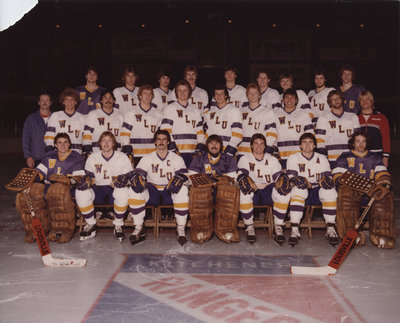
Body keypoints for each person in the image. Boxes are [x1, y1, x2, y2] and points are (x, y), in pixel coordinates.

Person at [17, 133, 85, 243]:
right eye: (60, 142)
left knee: (58, 195)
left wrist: (65, 180)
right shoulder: (49, 156)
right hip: (49, 186)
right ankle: (39, 228)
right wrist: (29, 181)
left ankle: (62, 229)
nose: (63, 145)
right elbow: (40, 173)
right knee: (31, 194)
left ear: (69, 144)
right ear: (55, 145)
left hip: (67, 188)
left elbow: (78, 178)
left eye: (65, 142)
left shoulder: (75, 156)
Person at [332, 131, 394, 249]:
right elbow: (338, 176)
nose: (360, 144)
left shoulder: (374, 158)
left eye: (363, 141)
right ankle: (349, 234)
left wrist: (383, 182)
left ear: (367, 143)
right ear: (353, 143)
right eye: (358, 141)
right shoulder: (345, 156)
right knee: (347, 194)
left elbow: (382, 174)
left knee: (385, 195)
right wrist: (365, 187)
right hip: (352, 192)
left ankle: (381, 235)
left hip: (370, 194)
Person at [128, 130, 189, 245]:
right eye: (159, 139)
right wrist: (136, 179)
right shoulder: (147, 157)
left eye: (164, 139)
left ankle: (180, 228)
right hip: (153, 191)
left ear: (168, 142)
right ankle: (138, 227)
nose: (161, 142)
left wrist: (181, 178)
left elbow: (184, 176)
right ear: (155, 142)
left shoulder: (176, 158)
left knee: (183, 189)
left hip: (169, 191)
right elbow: (138, 175)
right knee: (134, 188)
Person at [75, 131, 133, 241]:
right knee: (80, 191)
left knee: (123, 191)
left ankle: (118, 224)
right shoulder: (93, 157)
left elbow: (129, 177)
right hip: (98, 190)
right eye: (103, 141)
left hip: (114, 190)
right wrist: (87, 182)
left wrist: (123, 180)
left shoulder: (122, 157)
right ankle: (91, 224)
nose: (106, 144)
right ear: (100, 143)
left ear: (114, 143)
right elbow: (89, 177)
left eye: (109, 141)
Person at [286, 133, 339, 246]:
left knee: (330, 191)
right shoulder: (293, 157)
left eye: (310, 142)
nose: (307, 145)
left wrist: (324, 181)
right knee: (298, 189)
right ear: (300, 145)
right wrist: (305, 183)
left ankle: (330, 228)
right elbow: (292, 178)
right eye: (304, 142)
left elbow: (327, 177)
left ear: (315, 145)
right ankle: (294, 229)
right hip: (302, 189)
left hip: (317, 189)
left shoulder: (322, 158)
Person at [237, 134, 291, 244]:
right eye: (256, 143)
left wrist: (282, 179)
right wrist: (250, 183)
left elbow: (277, 176)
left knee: (283, 191)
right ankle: (249, 226)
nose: (259, 146)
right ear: (251, 145)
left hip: (268, 190)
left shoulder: (272, 159)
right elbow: (243, 175)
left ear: (265, 146)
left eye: (261, 143)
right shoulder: (245, 158)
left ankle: (278, 226)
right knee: (244, 189)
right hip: (253, 190)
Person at [189, 135, 238, 244]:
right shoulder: (199, 159)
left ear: (221, 146)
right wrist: (209, 185)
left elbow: (231, 179)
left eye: (217, 143)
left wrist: (217, 183)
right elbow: (193, 179)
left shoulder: (229, 159)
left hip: (222, 191)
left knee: (228, 193)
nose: (214, 145)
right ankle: (201, 229)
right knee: (199, 193)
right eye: (211, 143)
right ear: (207, 145)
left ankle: (225, 229)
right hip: (205, 191)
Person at [160, 79, 205, 168]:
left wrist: (199, 149)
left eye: (185, 90)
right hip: (177, 152)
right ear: (176, 92)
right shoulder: (170, 108)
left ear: (189, 92)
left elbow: (200, 132)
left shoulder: (195, 110)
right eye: (179, 90)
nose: (182, 93)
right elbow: (165, 131)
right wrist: (173, 149)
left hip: (193, 152)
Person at [268, 88, 314, 168]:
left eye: (292, 97)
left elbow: (310, 134)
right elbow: (271, 133)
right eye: (287, 97)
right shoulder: (275, 114)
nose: (289, 100)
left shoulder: (303, 114)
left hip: (299, 153)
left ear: (296, 100)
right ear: (282, 100)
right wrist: (273, 148)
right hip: (281, 153)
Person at [315, 90, 360, 168]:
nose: (336, 100)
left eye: (338, 98)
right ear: (329, 102)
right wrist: (324, 159)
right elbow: (320, 141)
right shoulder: (323, 118)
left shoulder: (353, 117)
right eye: (333, 99)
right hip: (331, 158)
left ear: (342, 100)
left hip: (350, 158)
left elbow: (358, 138)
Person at [121, 84, 163, 166]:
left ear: (152, 96)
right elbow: (124, 134)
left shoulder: (158, 114)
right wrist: (128, 151)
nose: (147, 96)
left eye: (150, 94)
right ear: (140, 96)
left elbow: (161, 135)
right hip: (136, 154)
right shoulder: (131, 113)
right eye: (145, 93)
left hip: (153, 154)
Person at [203, 85, 243, 157]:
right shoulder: (210, 112)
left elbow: (238, 135)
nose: (219, 96)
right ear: (214, 97)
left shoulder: (234, 110)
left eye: (221, 93)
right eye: (216, 94)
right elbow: (207, 134)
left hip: (228, 152)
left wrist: (228, 151)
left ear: (226, 96)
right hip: (213, 151)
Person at [82, 89, 124, 159]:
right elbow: (87, 134)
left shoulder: (120, 116)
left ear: (114, 101)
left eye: (110, 97)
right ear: (101, 101)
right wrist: (88, 150)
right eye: (105, 97)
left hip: (116, 153)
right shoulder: (93, 114)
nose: (108, 100)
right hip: (97, 152)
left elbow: (123, 136)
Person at [44, 87, 86, 154]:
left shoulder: (83, 118)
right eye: (67, 99)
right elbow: (49, 135)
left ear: (76, 102)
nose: (69, 102)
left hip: (77, 153)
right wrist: (50, 150)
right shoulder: (55, 116)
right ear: (63, 101)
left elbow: (86, 138)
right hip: (59, 153)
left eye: (72, 99)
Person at [238, 83, 275, 157]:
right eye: (250, 93)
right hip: (242, 151)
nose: (252, 95)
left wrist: (263, 149)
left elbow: (272, 134)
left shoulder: (267, 112)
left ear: (259, 95)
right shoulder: (240, 111)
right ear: (247, 95)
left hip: (259, 152)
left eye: (255, 93)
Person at [358, 90, 390, 167]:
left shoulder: (381, 118)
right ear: (359, 102)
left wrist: (385, 157)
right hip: (359, 155)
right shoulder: (355, 117)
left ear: (372, 101)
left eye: (367, 99)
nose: (364, 101)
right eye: (362, 99)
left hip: (377, 155)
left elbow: (386, 139)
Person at [22, 92, 52, 168]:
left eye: (47, 100)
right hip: (36, 158)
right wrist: (28, 156)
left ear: (50, 103)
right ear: (39, 102)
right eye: (42, 100)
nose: (44, 102)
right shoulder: (31, 119)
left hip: (52, 158)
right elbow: (25, 139)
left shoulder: (56, 117)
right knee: (36, 180)